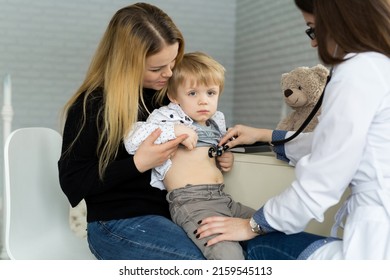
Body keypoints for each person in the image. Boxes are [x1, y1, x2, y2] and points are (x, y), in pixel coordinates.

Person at [195, 0, 390, 259]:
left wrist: (254, 224)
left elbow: (321, 181)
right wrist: (267, 136)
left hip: (373, 248)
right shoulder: (379, 65)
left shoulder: (357, 73)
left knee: (255, 247)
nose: (313, 42)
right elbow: (339, 144)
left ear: (337, 21)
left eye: (312, 28)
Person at [57, 3, 229, 260]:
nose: (169, 73)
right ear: (125, 63)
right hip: (115, 222)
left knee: (231, 254)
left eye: (173, 62)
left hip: (173, 213)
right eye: (157, 68)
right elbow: (73, 182)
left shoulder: (167, 97)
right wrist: (138, 163)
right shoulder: (91, 105)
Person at [123, 51, 255, 260]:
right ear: (174, 97)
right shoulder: (168, 117)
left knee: (268, 222)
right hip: (192, 202)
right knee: (226, 252)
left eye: (211, 93)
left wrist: (224, 158)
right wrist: (175, 131)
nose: (203, 101)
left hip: (223, 198)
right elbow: (131, 138)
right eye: (193, 93)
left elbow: (211, 154)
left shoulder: (216, 122)